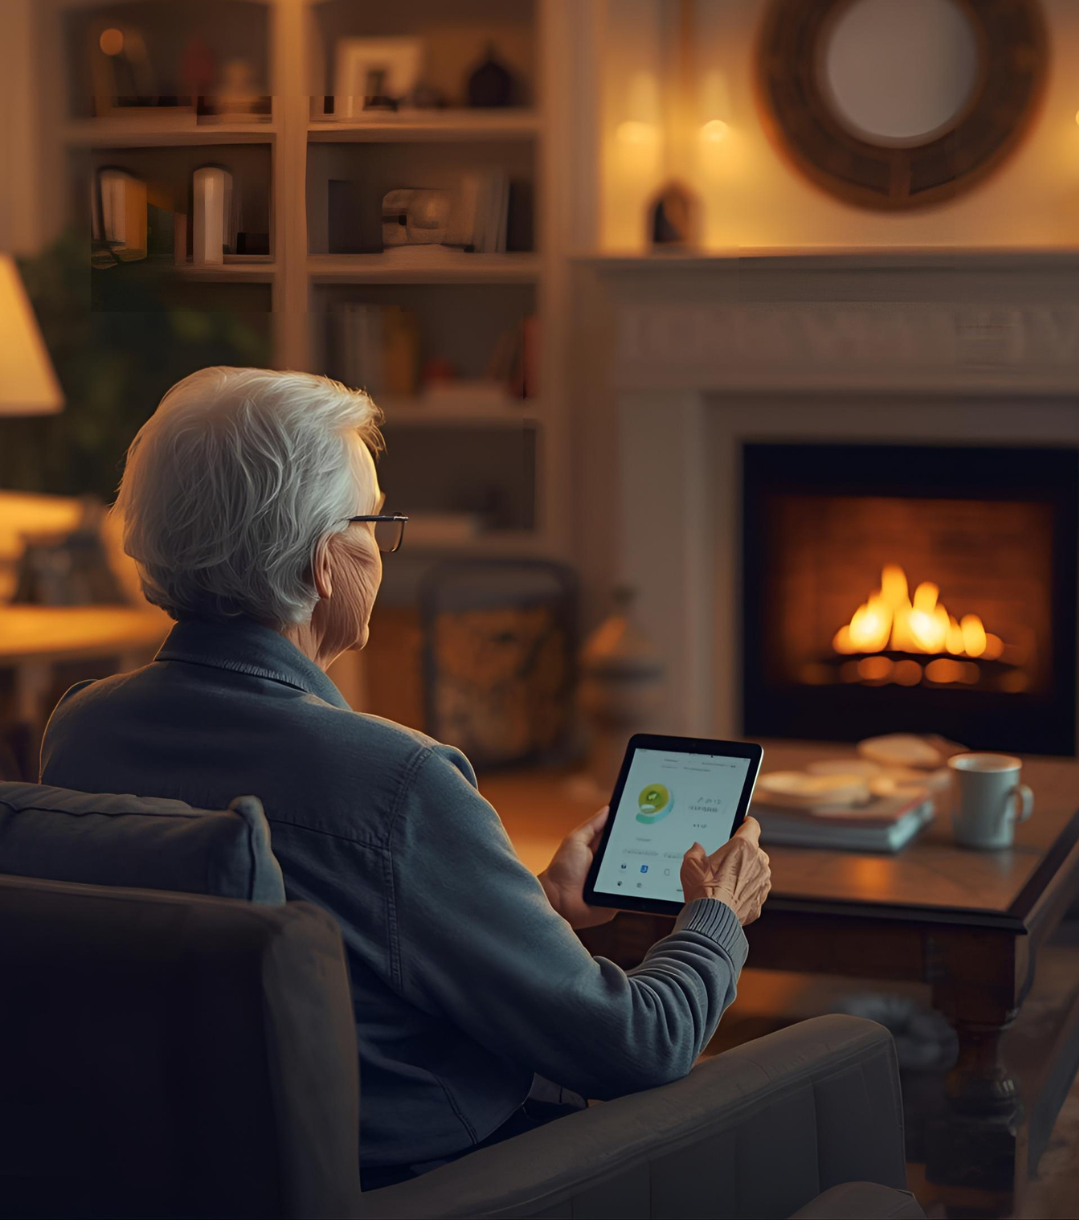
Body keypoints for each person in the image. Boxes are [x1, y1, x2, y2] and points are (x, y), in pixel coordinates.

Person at [40, 367, 772, 1186]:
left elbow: (333, 943)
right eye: (375, 522)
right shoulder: (399, 782)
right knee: (836, 1056)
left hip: (161, 1179)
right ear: (325, 563)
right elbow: (637, 1044)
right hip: (443, 1185)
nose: (383, 548)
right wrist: (716, 917)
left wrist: (534, 908)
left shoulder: (80, 731)